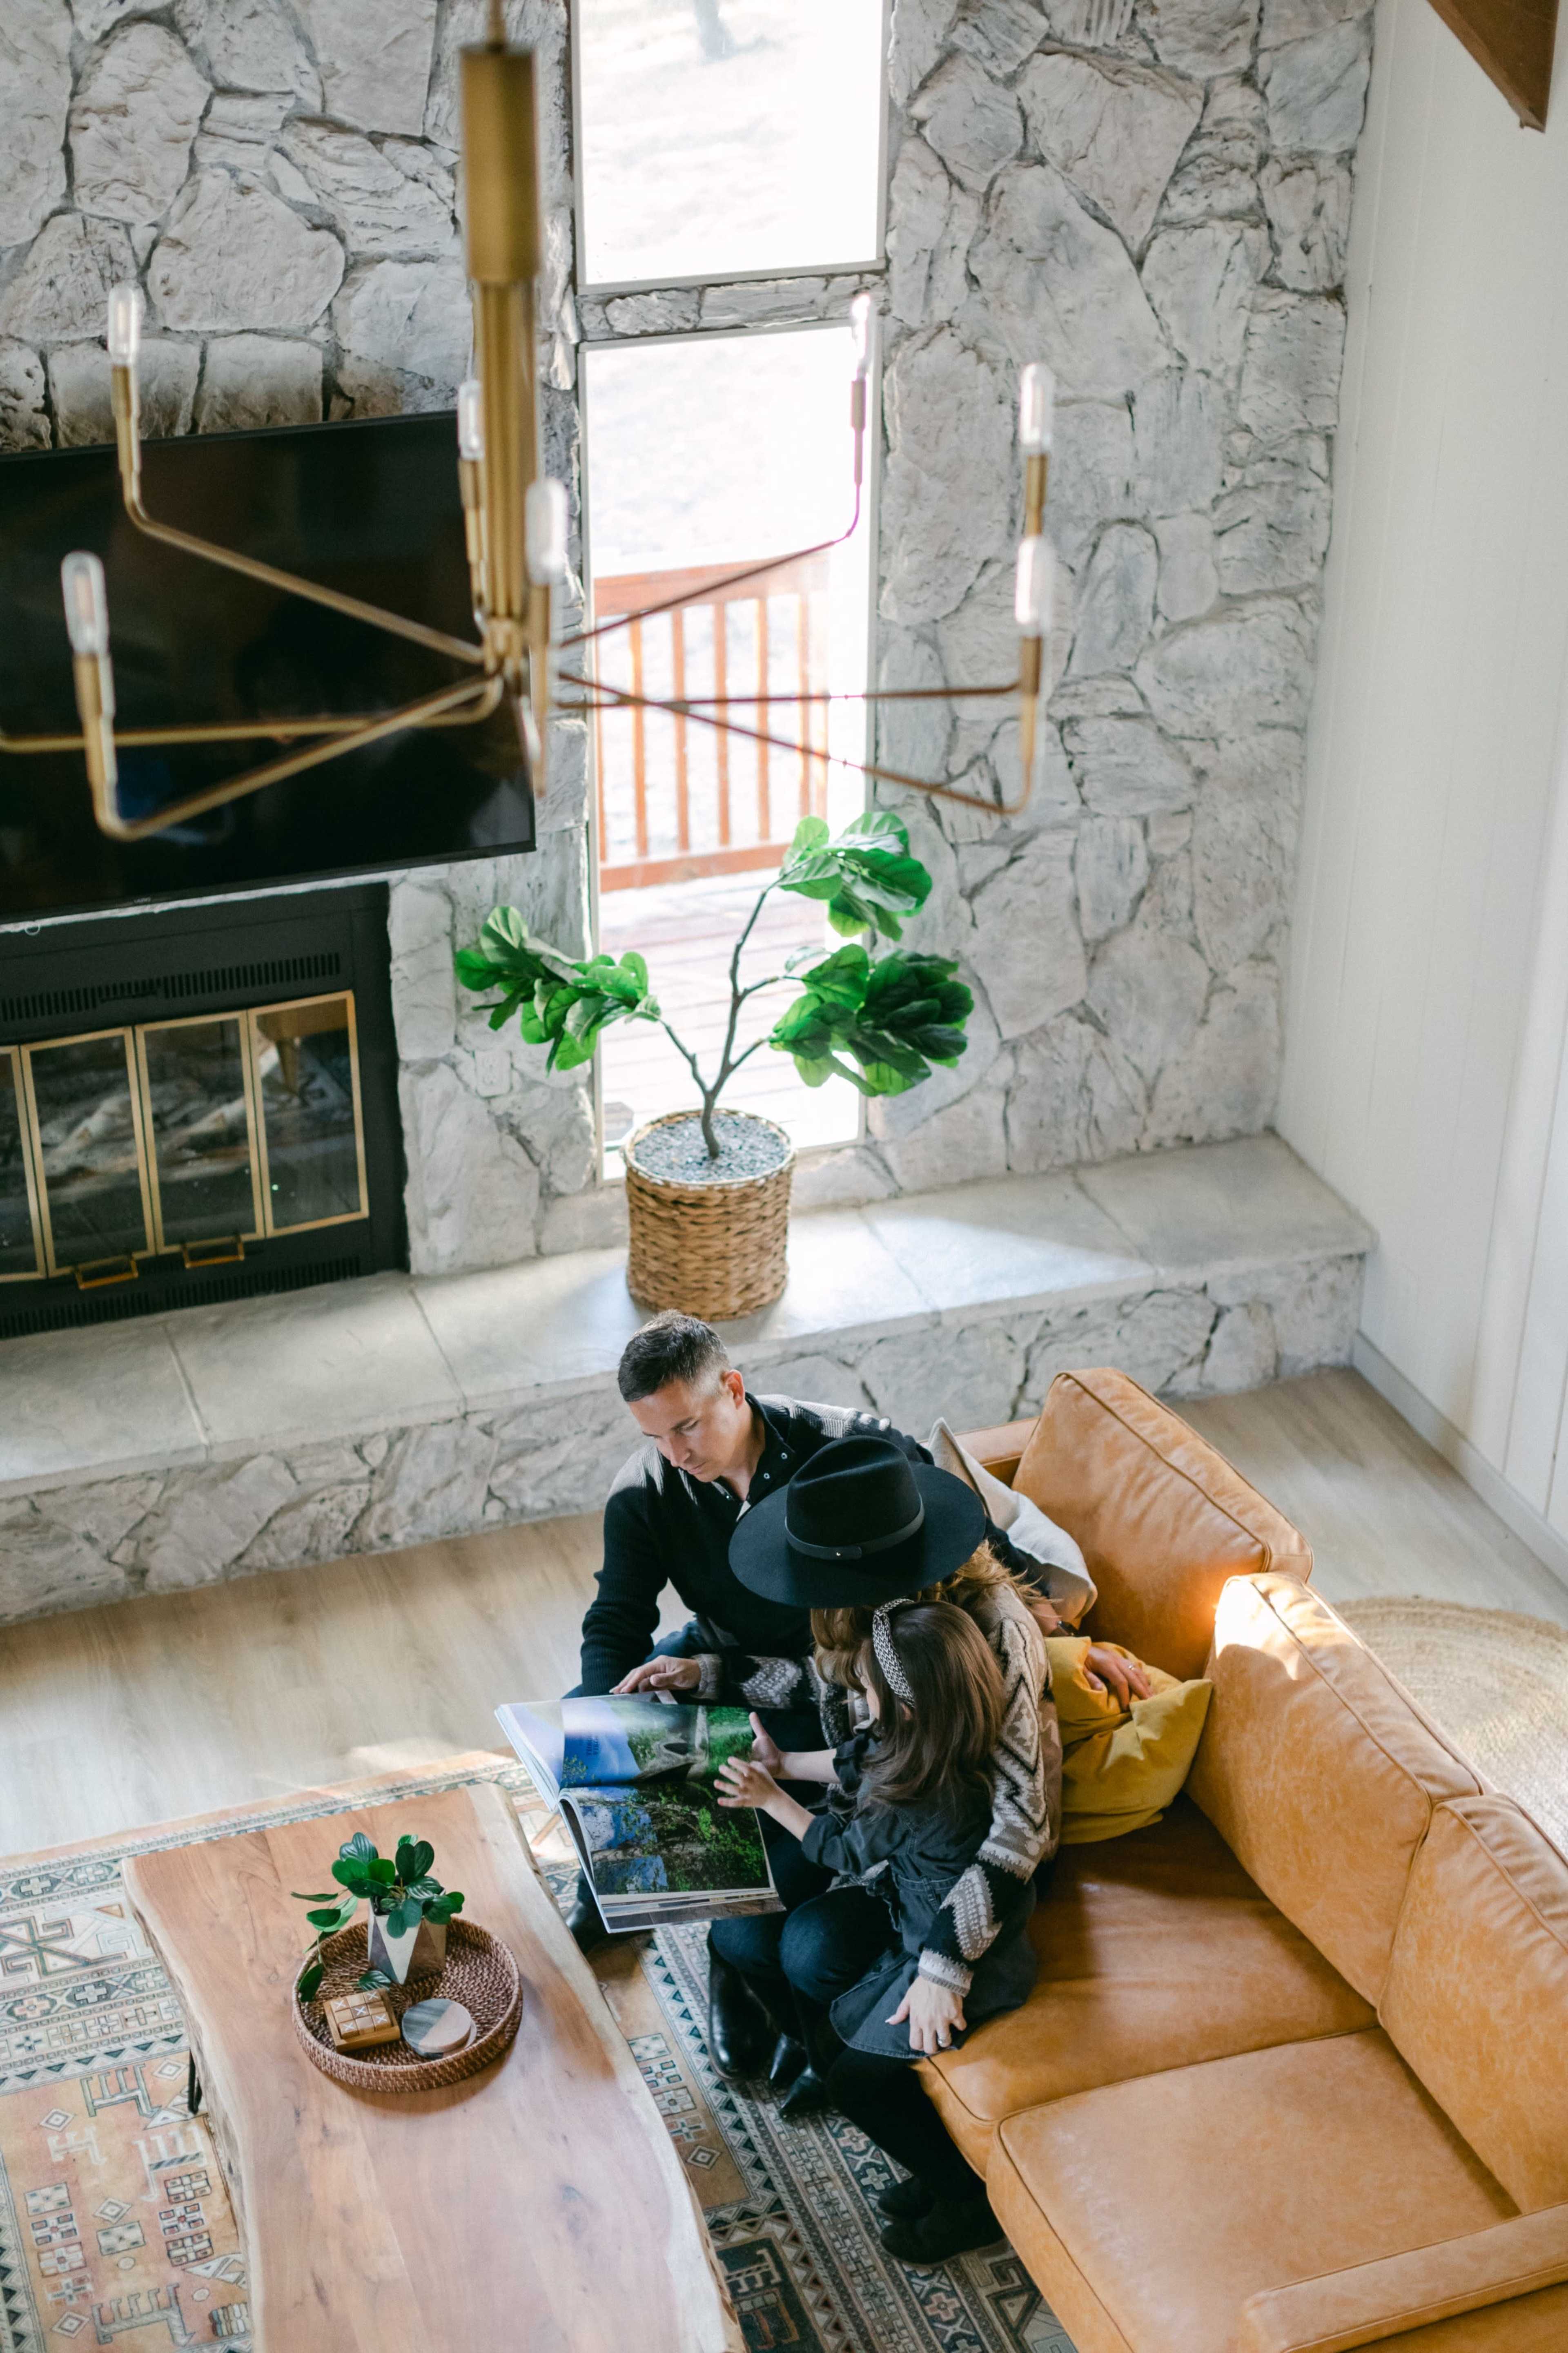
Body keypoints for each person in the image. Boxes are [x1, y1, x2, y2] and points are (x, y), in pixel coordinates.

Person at [574, 1311, 1147, 2070]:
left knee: (773, 1913)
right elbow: (618, 1619)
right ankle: (646, 1900)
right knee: (615, 1736)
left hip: (857, 1689)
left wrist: (1064, 1639)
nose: (676, 1455)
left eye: (687, 1428)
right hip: (775, 1673)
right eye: (655, 1438)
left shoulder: (852, 1455)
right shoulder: (652, 1490)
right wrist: (598, 1730)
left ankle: (758, 1965)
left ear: (733, 1390)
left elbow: (970, 1544)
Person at [708, 1432, 1059, 2110]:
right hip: (869, 1812)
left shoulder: (992, 1632)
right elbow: (818, 1687)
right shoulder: (858, 1606)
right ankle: (818, 2044)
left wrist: (945, 1963)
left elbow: (1022, 1825)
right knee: (738, 1928)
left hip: (959, 1859)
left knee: (809, 1948)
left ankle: (847, 2057)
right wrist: (707, 1672)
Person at [716, 1596, 1033, 2263]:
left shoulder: (923, 1792)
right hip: (919, 1926)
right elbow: (856, 1759)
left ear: (907, 1705)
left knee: (856, 2082)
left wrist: (769, 1800)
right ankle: (942, 2172)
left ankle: (970, 2200)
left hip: (959, 1955)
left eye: (867, 1689)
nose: (861, 1698)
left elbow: (838, 1849)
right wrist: (785, 1765)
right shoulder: (927, 1742)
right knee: (844, 2050)